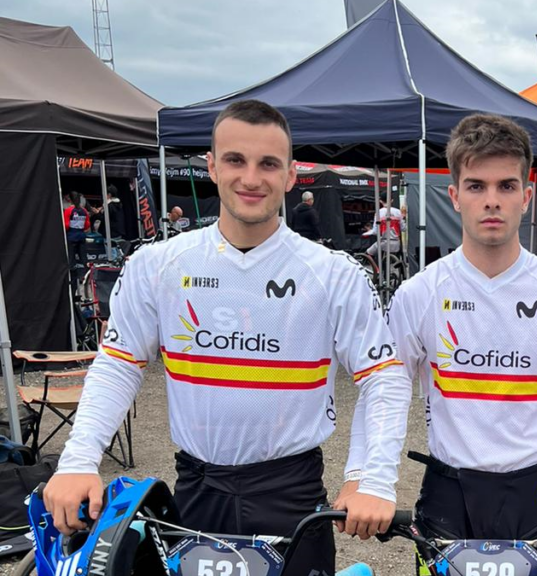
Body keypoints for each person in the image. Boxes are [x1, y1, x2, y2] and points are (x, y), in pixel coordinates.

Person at [43, 100, 412, 576]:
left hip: (293, 492)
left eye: (268, 164)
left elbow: (382, 377)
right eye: (236, 160)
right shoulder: (158, 265)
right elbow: (118, 364)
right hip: (197, 490)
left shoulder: (334, 274)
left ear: (291, 175)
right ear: (212, 166)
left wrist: (370, 478)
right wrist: (77, 461)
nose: (251, 178)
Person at [341, 114, 537, 564]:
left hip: (533, 494)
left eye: (506, 186)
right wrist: (364, 478)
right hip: (447, 495)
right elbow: (385, 388)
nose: (492, 200)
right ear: (455, 196)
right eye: (476, 186)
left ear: (527, 197)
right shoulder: (420, 293)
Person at [63, 191, 90, 296]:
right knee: (84, 259)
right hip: (81, 236)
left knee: (71, 260)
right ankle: (86, 277)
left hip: (71, 237)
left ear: (70, 199)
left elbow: (66, 225)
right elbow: (87, 225)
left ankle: (72, 281)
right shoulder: (84, 210)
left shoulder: (68, 210)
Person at [365, 198, 404, 262]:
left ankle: (375, 266)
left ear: (380, 201)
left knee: (368, 253)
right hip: (396, 243)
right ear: (392, 200)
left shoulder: (378, 213)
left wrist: (368, 231)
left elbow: (375, 232)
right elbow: (403, 228)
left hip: (384, 243)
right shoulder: (398, 212)